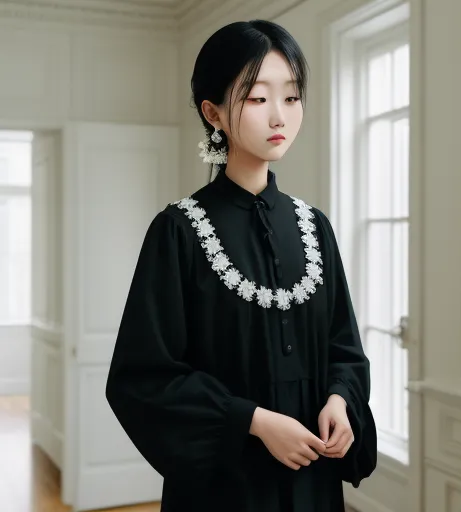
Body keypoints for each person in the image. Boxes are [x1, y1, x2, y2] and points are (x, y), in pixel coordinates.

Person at [105, 19, 377, 512]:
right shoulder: (178, 232)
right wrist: (254, 420)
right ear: (214, 113)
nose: (279, 116)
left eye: (292, 97)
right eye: (256, 98)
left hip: (313, 481)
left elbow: (345, 347)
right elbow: (142, 377)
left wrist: (340, 401)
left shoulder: (315, 227)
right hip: (223, 487)